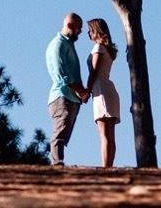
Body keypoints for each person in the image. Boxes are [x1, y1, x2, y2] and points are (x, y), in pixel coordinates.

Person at [45, 12, 89, 166]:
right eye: (78, 28)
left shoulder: (68, 44)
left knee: (64, 134)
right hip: (62, 96)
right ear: (69, 25)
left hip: (70, 98)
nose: (80, 31)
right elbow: (61, 74)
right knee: (60, 132)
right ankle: (57, 164)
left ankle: (58, 162)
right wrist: (80, 90)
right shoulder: (58, 44)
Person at [85, 18, 121, 167]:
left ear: (96, 31)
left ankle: (106, 167)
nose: (88, 34)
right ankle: (109, 165)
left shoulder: (98, 48)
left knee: (104, 135)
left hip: (101, 92)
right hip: (108, 90)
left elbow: (94, 72)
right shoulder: (107, 49)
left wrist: (86, 90)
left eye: (90, 30)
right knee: (110, 135)